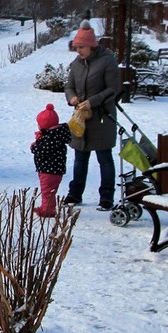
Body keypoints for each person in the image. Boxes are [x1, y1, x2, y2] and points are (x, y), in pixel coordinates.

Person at [63, 20, 121, 210]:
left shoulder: (107, 60)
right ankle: (75, 194)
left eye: (82, 47)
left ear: (92, 46)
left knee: (104, 157)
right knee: (80, 157)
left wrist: (93, 101)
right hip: (81, 119)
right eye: (77, 47)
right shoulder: (76, 64)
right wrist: (72, 98)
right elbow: (69, 85)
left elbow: (113, 89)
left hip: (102, 117)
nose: (79, 51)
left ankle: (107, 197)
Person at [31, 103, 69, 217]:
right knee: (49, 191)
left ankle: (48, 210)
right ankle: (45, 207)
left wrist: (34, 146)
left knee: (47, 191)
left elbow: (42, 151)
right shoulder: (55, 135)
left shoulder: (51, 138)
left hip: (49, 170)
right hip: (53, 169)